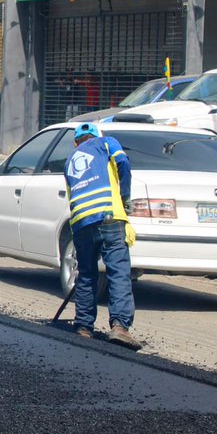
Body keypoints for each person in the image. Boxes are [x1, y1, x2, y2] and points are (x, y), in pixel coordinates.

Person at [64, 122, 141, 350]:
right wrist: (125, 197)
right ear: (97, 135)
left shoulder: (70, 159)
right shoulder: (107, 143)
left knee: (87, 273)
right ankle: (119, 327)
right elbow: (123, 162)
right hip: (109, 215)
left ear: (77, 142)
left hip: (80, 221)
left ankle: (84, 326)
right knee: (118, 271)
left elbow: (72, 194)